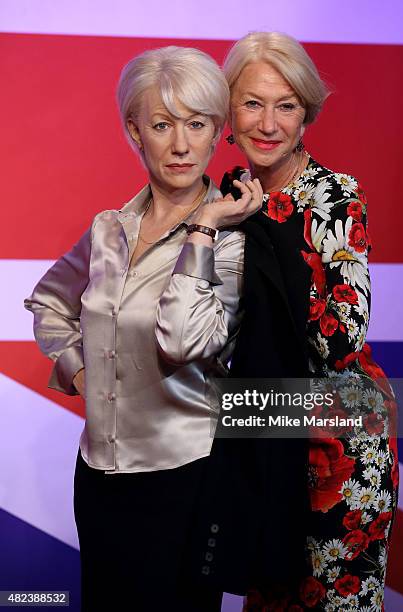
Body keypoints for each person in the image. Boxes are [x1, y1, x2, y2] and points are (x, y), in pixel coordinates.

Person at [24, 46, 262, 612]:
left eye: (197, 125)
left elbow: (183, 342)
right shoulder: (110, 229)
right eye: (162, 125)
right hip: (99, 477)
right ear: (135, 131)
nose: (180, 145)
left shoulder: (233, 241)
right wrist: (79, 372)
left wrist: (203, 226)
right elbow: (48, 304)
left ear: (216, 133)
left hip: (184, 481)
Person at [220, 32, 399, 611]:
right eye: (252, 103)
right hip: (260, 434)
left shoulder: (335, 197)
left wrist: (274, 235)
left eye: (287, 104)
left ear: (306, 114)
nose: (268, 123)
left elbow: (343, 337)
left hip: (338, 444)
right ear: (227, 110)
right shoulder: (223, 201)